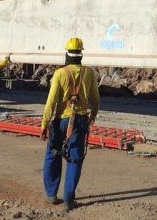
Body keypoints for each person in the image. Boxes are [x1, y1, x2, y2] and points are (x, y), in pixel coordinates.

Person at [40, 36, 99, 209]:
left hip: (60, 121)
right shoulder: (89, 73)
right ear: (81, 54)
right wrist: (93, 115)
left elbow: (51, 101)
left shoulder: (60, 73)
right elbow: (95, 99)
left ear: (67, 54)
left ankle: (51, 194)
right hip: (79, 121)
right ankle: (68, 199)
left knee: (53, 153)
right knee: (74, 159)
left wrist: (44, 124)